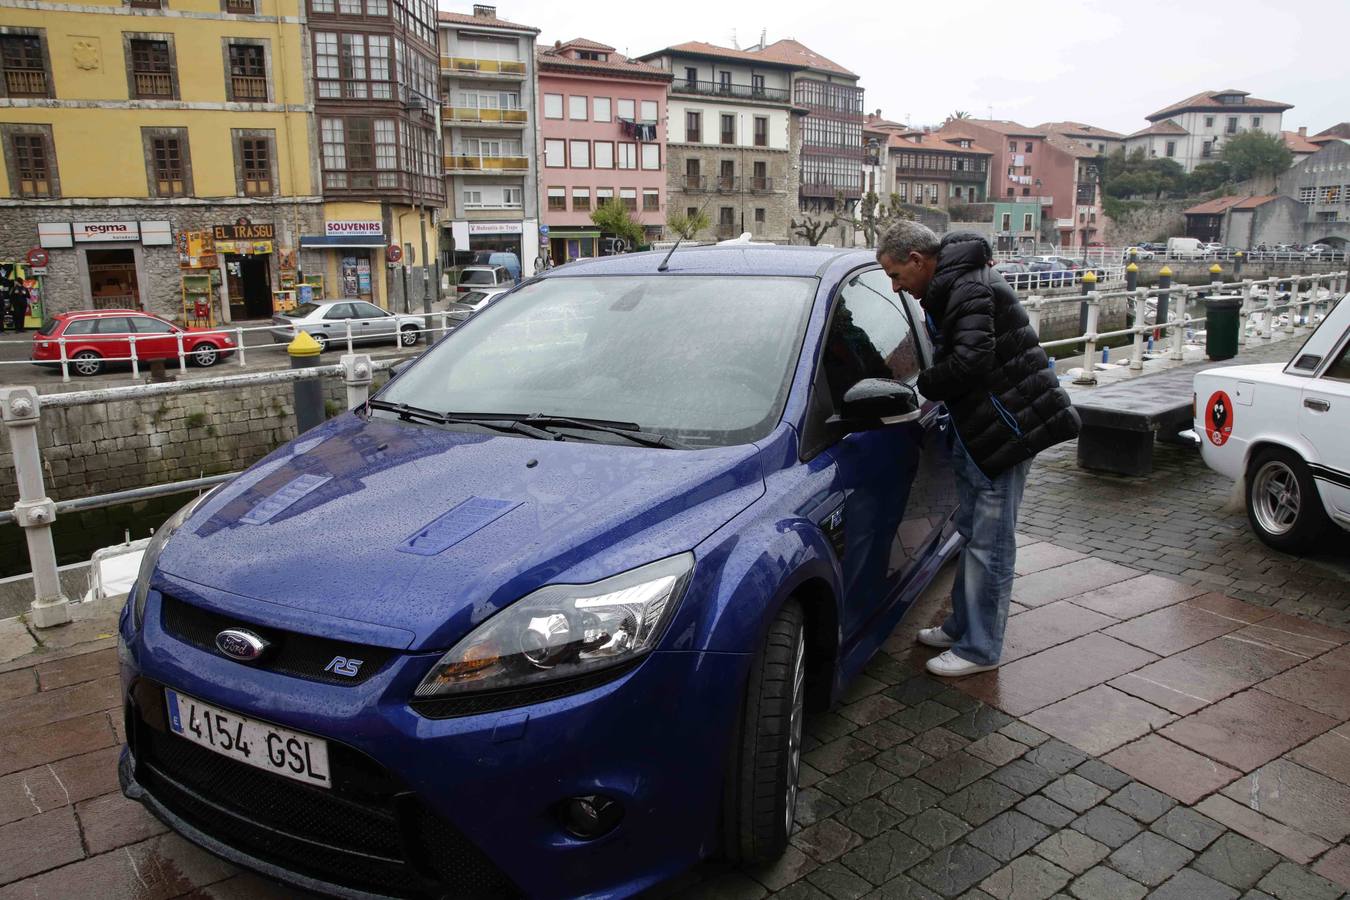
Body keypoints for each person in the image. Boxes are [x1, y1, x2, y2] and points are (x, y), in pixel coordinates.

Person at [877, 223, 1080, 677]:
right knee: (973, 532)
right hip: (981, 427)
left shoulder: (967, 288)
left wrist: (920, 384)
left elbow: (971, 361)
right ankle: (961, 627)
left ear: (916, 259)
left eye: (896, 275)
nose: (896, 287)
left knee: (991, 543)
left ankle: (980, 649)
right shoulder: (952, 284)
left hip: (1005, 431)